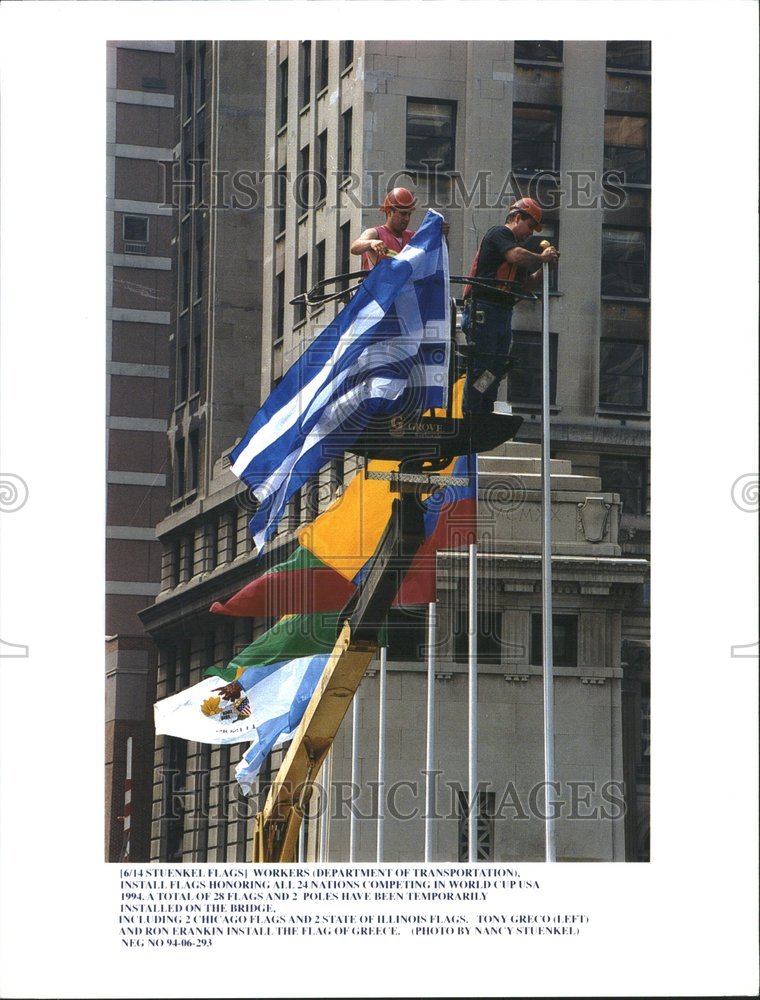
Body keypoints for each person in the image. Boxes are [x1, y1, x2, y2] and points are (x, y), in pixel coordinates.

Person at [461, 197, 559, 414]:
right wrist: (541, 257)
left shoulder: (520, 254)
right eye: (530, 226)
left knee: (496, 367)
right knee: (482, 365)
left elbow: (525, 286)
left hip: (502, 312)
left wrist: (544, 269)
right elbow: (514, 255)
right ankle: (471, 413)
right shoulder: (500, 234)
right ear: (516, 217)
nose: (531, 233)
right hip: (483, 309)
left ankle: (484, 410)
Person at [350, 186, 419, 271]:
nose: (407, 218)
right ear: (389, 212)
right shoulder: (374, 233)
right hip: (378, 283)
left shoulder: (413, 237)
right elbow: (354, 247)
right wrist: (371, 243)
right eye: (403, 214)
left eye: (409, 214)